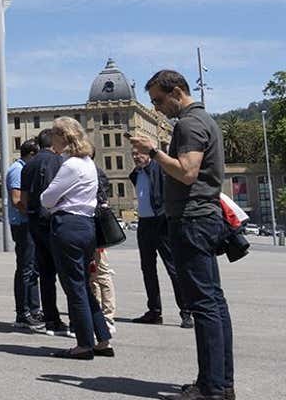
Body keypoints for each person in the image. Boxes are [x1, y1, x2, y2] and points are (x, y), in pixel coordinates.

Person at [130, 70, 234, 400]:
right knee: (214, 303)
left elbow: (188, 172)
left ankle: (211, 387)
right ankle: (221, 383)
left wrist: (154, 151)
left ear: (176, 92)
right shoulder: (204, 120)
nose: (158, 109)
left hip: (192, 220)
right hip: (201, 218)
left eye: (159, 100)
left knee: (203, 305)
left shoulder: (189, 124)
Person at [40, 117, 113, 360]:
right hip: (86, 225)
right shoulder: (88, 163)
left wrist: (55, 201)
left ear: (63, 137)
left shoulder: (71, 165)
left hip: (67, 226)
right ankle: (102, 338)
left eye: (54, 136)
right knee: (83, 283)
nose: (52, 141)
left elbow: (47, 198)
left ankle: (84, 344)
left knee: (74, 287)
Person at [129, 148, 191, 328]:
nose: (136, 156)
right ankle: (154, 311)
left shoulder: (158, 168)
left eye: (139, 153)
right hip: (144, 223)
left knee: (173, 268)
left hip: (161, 222)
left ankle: (186, 312)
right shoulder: (136, 173)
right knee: (147, 269)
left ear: (149, 153)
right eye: (133, 154)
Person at [21, 129, 72, 337]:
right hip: (53, 221)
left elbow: (23, 200)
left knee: (45, 274)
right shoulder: (57, 162)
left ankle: (51, 319)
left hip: (34, 222)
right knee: (67, 272)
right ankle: (76, 320)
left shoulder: (28, 165)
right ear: (54, 142)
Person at [8, 140, 42, 328]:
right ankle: (23, 311)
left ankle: (34, 309)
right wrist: (32, 211)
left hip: (28, 223)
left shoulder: (25, 169)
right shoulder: (17, 170)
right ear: (30, 154)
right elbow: (16, 199)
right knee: (25, 268)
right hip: (22, 224)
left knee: (33, 268)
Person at [90, 158, 117, 335]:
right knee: (92, 275)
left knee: (102, 273)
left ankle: (107, 315)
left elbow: (102, 195)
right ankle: (98, 311)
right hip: (89, 226)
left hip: (95, 226)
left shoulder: (94, 171)